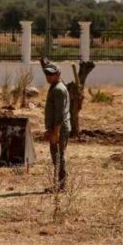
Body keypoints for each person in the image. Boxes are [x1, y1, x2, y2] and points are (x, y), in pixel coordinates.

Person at [43, 62, 71, 191]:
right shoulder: (55, 87)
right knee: (56, 156)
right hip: (56, 127)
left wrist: (56, 132)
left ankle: (61, 186)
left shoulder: (59, 89)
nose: (48, 76)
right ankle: (59, 185)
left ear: (58, 74)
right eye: (47, 74)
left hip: (59, 128)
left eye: (51, 74)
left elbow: (59, 113)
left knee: (59, 156)